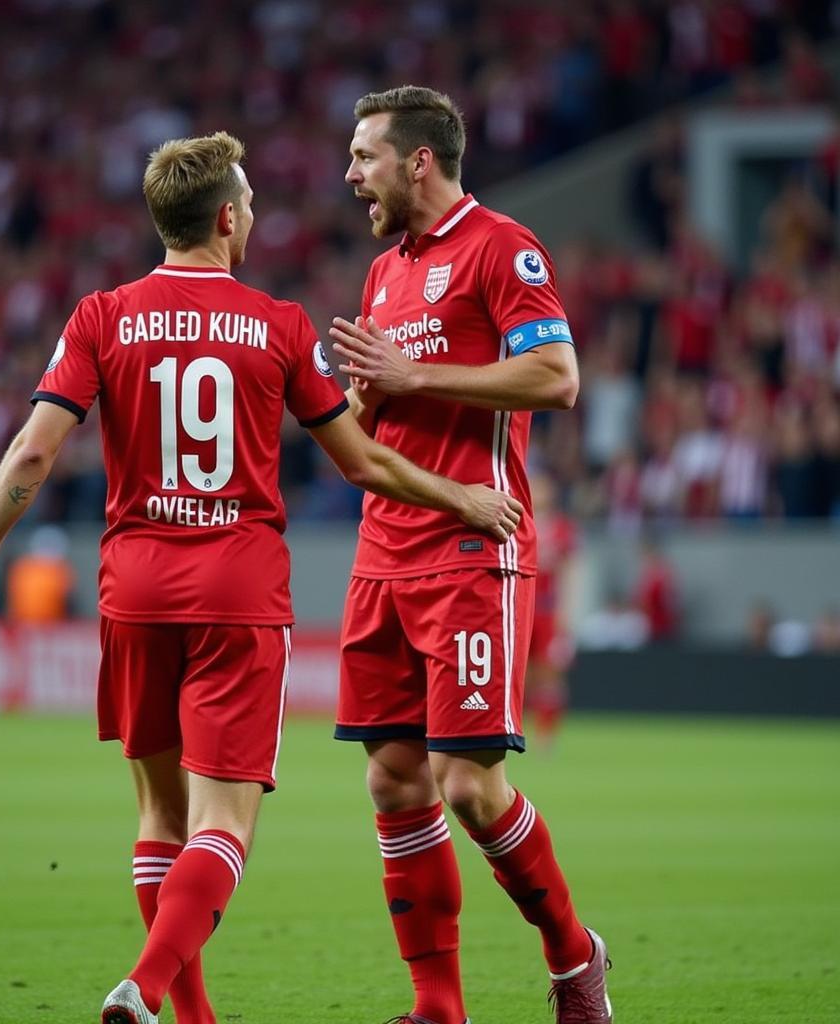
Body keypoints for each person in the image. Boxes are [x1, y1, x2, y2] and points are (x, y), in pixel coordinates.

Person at [0, 130, 523, 1024]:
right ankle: (145, 982)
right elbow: (363, 463)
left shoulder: (101, 315)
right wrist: (464, 498)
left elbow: (32, 450)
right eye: (247, 201)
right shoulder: (280, 325)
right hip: (237, 594)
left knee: (156, 814)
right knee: (225, 826)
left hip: (131, 588)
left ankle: (192, 1015)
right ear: (224, 216)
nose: (253, 211)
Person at [329, 87, 612, 1024]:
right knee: (392, 776)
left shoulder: (503, 247)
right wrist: (351, 402)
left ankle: (575, 959)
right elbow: (374, 416)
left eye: (365, 155)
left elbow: (556, 377)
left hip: (468, 546)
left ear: (418, 160)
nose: (350, 173)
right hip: (383, 553)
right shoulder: (381, 276)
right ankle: (437, 1006)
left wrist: (414, 375)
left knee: (471, 788)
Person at [524, 471, 577, 752]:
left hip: (546, 610)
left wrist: (564, 613)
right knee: (522, 675)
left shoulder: (561, 528)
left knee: (549, 672)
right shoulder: (521, 521)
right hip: (522, 606)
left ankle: (547, 735)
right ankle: (519, 728)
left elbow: (567, 572)